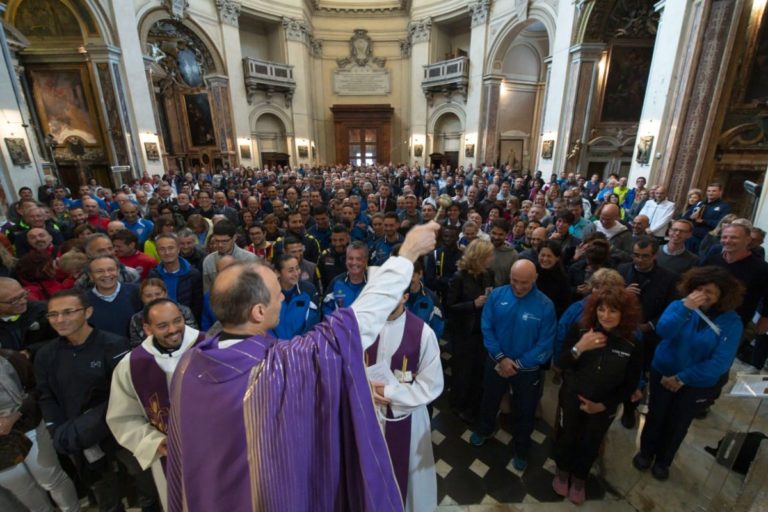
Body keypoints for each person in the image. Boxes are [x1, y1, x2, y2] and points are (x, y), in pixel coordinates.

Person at [166, 222, 440, 512]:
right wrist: (407, 254)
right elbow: (354, 324)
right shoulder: (277, 368)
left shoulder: (188, 363)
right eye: (276, 294)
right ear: (258, 312)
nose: (283, 296)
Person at [36, 290, 159, 511]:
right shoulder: (46, 355)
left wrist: (92, 424)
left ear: (88, 312)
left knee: (144, 479)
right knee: (102, 488)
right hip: (81, 438)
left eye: (68, 312)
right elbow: (47, 396)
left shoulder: (114, 345)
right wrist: (58, 430)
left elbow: (129, 392)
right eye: (53, 314)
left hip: (121, 430)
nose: (60, 320)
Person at [634, 267, 744, 481]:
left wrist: (683, 377)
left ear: (722, 295)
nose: (701, 294)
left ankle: (664, 461)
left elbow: (720, 362)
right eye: (699, 289)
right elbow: (663, 331)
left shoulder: (731, 323)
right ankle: (645, 453)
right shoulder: (679, 306)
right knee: (656, 414)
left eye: (709, 292)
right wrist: (685, 308)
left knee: (678, 422)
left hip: (695, 383)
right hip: (663, 371)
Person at [107, 298, 204, 511]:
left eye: (177, 321)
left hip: (215, 450)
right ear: (147, 329)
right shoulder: (131, 365)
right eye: (162, 326)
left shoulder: (209, 349)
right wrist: (154, 442)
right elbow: (123, 418)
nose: (173, 330)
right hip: (170, 456)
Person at [553, 287, 643, 504]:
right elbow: (561, 362)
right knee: (567, 435)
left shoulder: (632, 342)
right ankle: (563, 471)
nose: (606, 316)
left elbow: (630, 383)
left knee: (591, 441)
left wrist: (603, 405)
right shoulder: (581, 330)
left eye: (612, 311)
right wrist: (579, 348)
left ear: (624, 313)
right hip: (572, 395)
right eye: (601, 310)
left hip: (603, 404)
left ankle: (580, 478)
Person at [470, 260, 556, 472]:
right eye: (514, 281)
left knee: (525, 410)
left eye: (524, 283)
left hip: (526, 370)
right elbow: (487, 327)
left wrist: (517, 364)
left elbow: (545, 343)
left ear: (535, 278)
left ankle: (521, 448)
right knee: (489, 398)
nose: (518, 287)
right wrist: (501, 358)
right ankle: (485, 429)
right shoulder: (498, 295)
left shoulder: (545, 306)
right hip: (496, 362)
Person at [365, 287, 443, 512]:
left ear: (405, 297)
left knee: (408, 478)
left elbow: (431, 384)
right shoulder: (365, 326)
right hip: (368, 412)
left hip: (406, 417)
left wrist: (389, 393)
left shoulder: (422, 333)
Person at [0, 349, 80, 512]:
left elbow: (37, 389)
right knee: (23, 489)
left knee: (50, 478)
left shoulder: (9, 358)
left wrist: (15, 415)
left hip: (28, 423)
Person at [444, 240, 496, 424]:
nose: (492, 258)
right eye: (489, 255)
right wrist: (472, 304)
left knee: (477, 371)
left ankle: (474, 404)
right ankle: (458, 405)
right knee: (462, 371)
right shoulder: (459, 277)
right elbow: (449, 307)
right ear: (479, 257)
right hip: (464, 332)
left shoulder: (489, 274)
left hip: (482, 330)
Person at [149, 233, 203, 322]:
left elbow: (198, 306)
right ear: (157, 251)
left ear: (178, 249)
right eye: (162, 249)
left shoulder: (193, 274)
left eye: (171, 248)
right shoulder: (153, 275)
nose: (167, 253)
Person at [129, 279, 198, 347]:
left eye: (158, 294)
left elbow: (194, 337)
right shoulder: (136, 319)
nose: (154, 298)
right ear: (142, 298)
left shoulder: (183, 311)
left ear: (165, 293)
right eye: (148, 296)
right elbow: (136, 346)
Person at [86, 255, 143, 338]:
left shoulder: (138, 292)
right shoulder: (83, 301)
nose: (106, 274)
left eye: (111, 269)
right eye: (99, 271)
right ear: (90, 276)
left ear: (118, 271)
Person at [270, 254, 320, 339]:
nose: (296, 273)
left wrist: (299, 345)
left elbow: (313, 322)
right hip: (273, 347)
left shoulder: (309, 290)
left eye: (297, 268)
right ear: (277, 273)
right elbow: (264, 325)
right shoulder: (267, 293)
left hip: (301, 347)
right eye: (290, 270)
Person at [201, 220, 258, 293]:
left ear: (234, 238)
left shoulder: (250, 259)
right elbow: (207, 291)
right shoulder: (208, 261)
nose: (220, 245)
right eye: (217, 241)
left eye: (224, 241)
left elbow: (255, 289)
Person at [322, 241, 369, 316]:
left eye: (358, 259)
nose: (354, 262)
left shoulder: (373, 282)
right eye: (350, 258)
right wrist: (336, 323)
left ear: (366, 260)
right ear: (346, 260)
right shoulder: (336, 282)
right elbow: (326, 307)